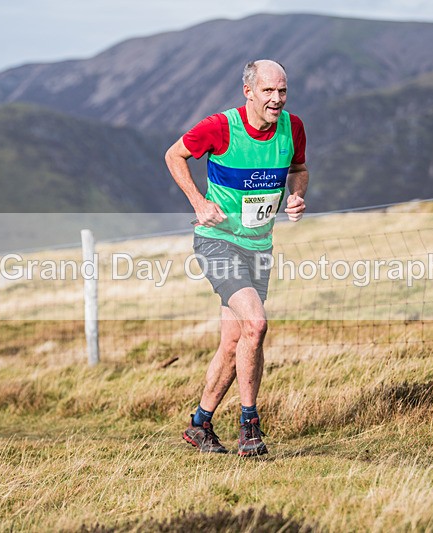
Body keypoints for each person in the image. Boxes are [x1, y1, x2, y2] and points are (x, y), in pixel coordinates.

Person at [165, 59, 309, 456]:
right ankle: (250, 425)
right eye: (268, 91)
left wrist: (296, 195)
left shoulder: (292, 127)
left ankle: (200, 423)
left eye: (282, 91)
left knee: (234, 340)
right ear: (248, 92)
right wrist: (198, 201)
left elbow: (298, 168)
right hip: (218, 241)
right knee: (257, 324)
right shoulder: (220, 126)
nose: (276, 99)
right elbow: (173, 155)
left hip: (259, 246)